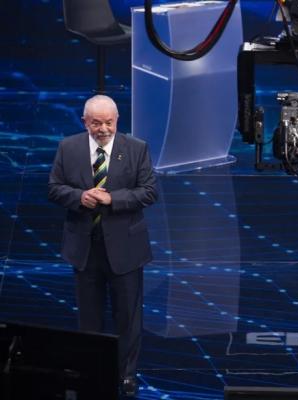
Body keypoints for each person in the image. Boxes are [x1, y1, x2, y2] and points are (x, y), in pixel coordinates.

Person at [49, 95, 157, 396]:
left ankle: (126, 374)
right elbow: (54, 188)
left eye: (109, 122)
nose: (103, 129)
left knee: (128, 317)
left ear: (117, 120)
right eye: (96, 123)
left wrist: (114, 199)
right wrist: (79, 197)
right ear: (85, 122)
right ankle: (90, 370)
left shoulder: (136, 149)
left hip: (125, 248)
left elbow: (149, 192)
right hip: (85, 248)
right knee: (89, 317)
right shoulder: (67, 148)